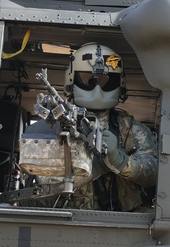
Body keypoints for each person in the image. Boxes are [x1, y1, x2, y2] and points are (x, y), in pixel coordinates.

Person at [63, 43, 157, 211]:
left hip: (124, 220)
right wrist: (87, 169)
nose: (97, 88)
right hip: (69, 217)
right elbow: (42, 178)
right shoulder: (57, 126)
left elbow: (153, 173)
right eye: (88, 80)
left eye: (106, 81)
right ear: (71, 79)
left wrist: (121, 162)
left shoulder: (131, 129)